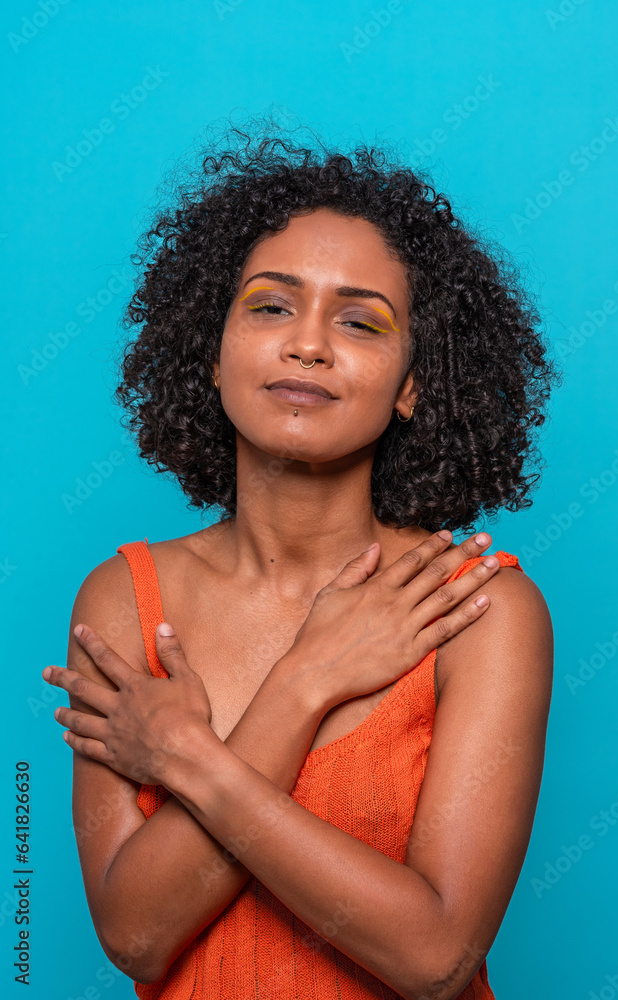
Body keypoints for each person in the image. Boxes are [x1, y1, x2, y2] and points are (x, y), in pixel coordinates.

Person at [42, 118, 557, 1000]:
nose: (307, 342)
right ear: (212, 352)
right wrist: (306, 680)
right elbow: (134, 935)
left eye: (359, 321)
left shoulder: (474, 609)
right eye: (271, 305)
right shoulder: (125, 598)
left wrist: (187, 758)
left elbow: (435, 958)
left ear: (410, 385)